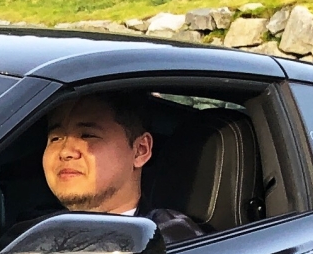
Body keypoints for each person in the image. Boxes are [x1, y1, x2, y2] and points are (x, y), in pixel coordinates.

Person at [40, 92, 205, 246]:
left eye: (88, 135)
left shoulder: (166, 238)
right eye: (56, 138)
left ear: (140, 150)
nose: (65, 152)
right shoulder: (33, 231)